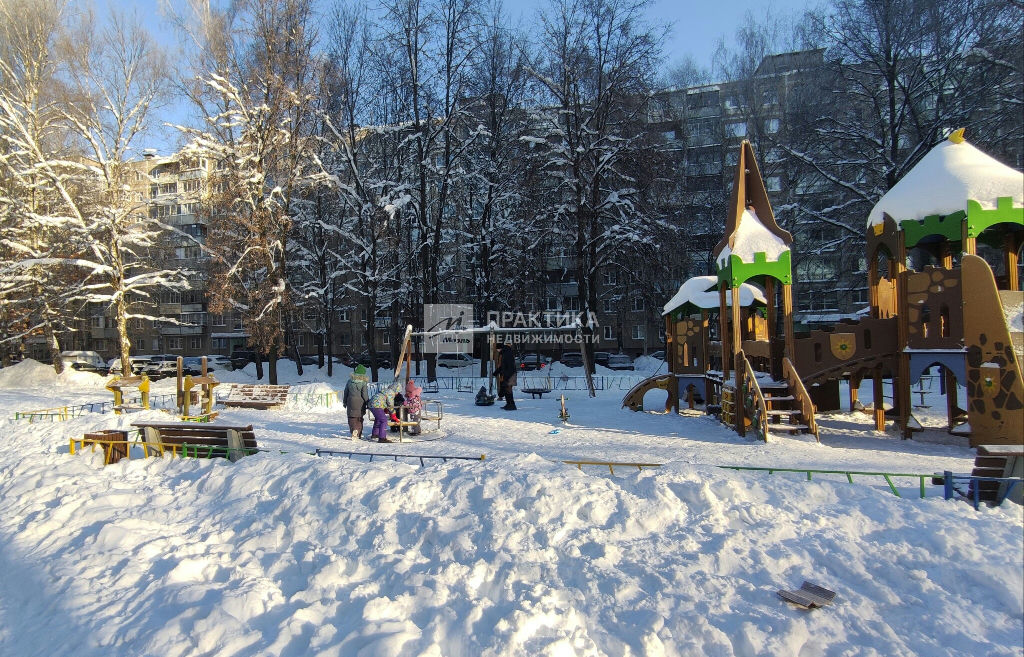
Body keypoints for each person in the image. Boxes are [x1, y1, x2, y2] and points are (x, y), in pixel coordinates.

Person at [343, 365, 370, 440]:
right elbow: (364, 394)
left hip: (350, 401)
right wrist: (367, 402)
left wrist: (344, 402)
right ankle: (358, 433)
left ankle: (354, 430)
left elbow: (346, 392)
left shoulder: (349, 381)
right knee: (359, 418)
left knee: (351, 417)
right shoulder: (363, 383)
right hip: (360, 403)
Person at [497, 342, 517, 410]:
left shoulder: (507, 353)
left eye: (498, 349)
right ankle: (509, 404)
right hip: (508, 374)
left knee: (508, 390)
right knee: (506, 390)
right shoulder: (505, 353)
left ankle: (511, 405)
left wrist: (507, 376)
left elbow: (509, 366)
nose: (497, 350)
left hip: (509, 375)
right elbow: (504, 365)